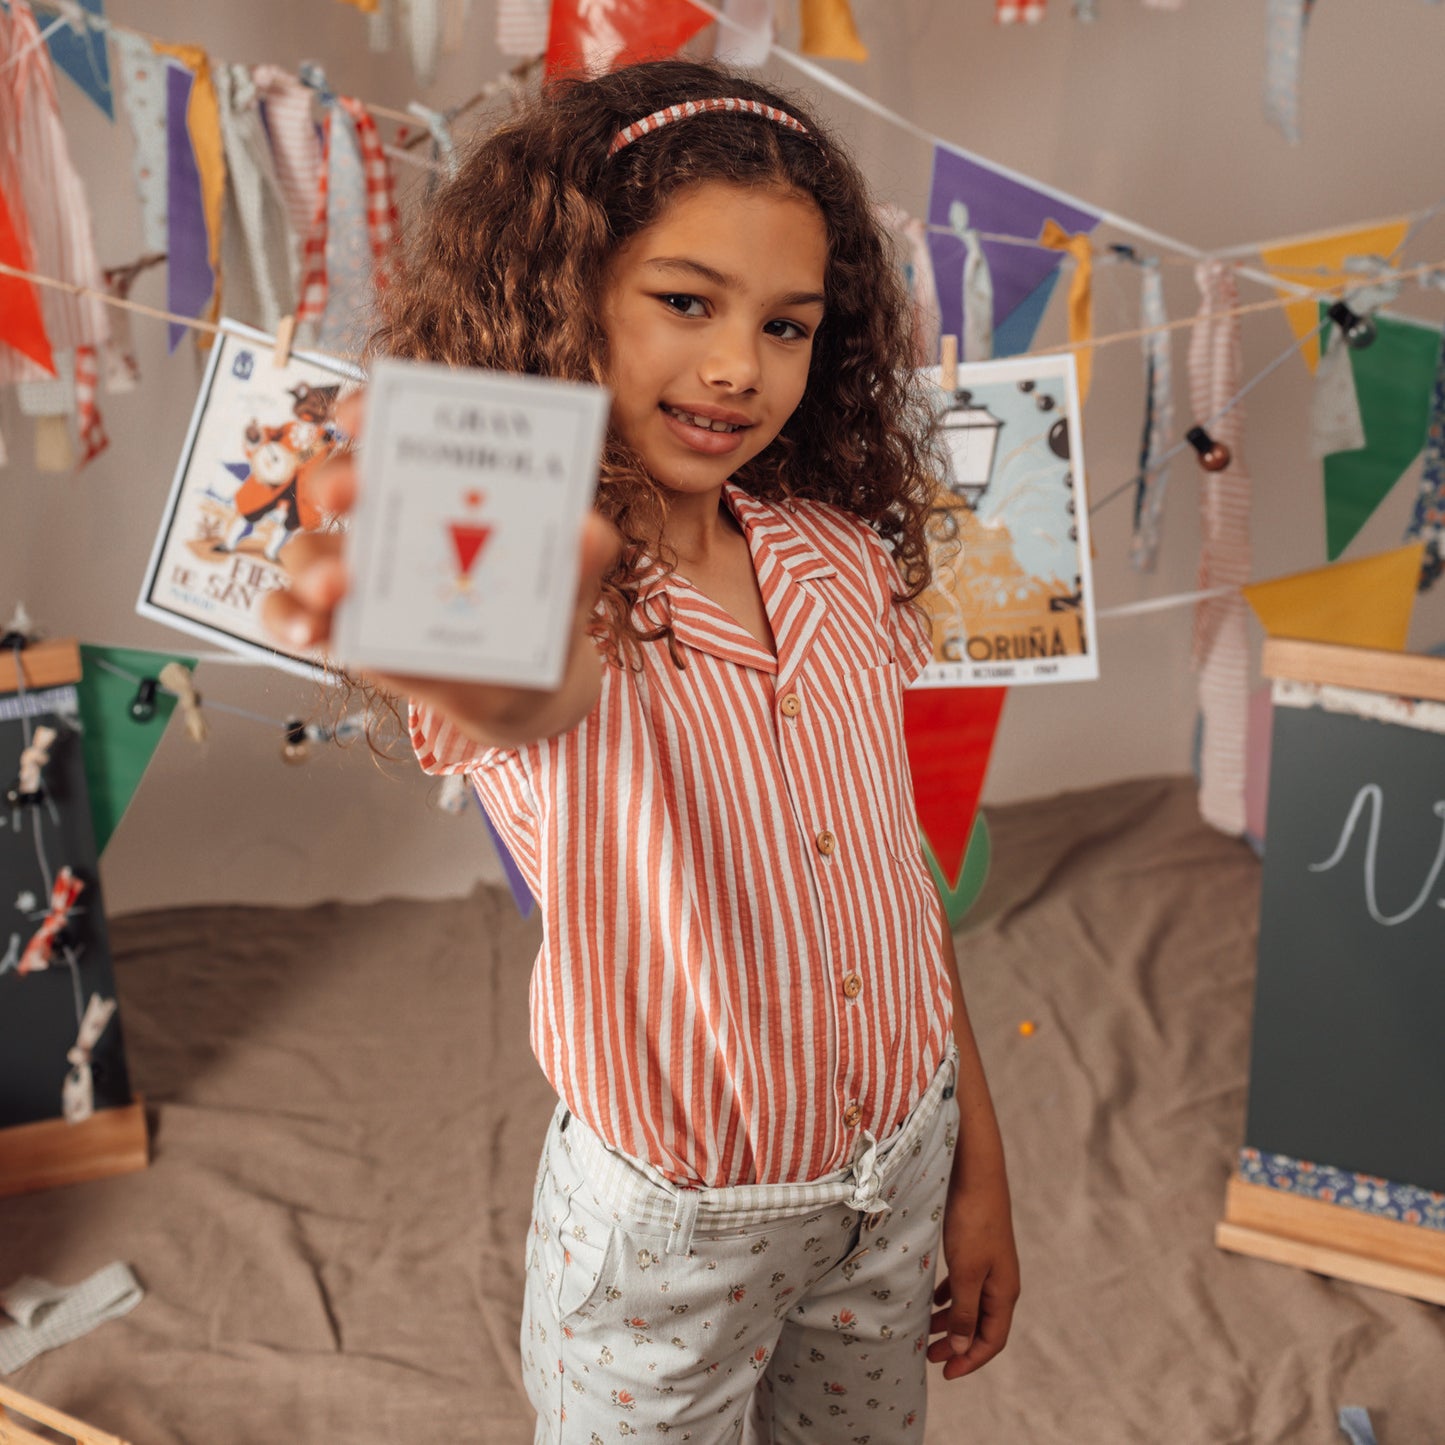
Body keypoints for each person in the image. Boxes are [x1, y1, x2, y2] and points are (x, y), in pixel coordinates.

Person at [263, 57, 1019, 1444]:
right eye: (685, 302)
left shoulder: (840, 562)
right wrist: (430, 553)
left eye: (787, 325)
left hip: (896, 1178)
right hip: (669, 1240)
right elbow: (495, 670)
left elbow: (897, 880)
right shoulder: (545, 596)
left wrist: (975, 1166)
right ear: (562, 297)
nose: (738, 365)